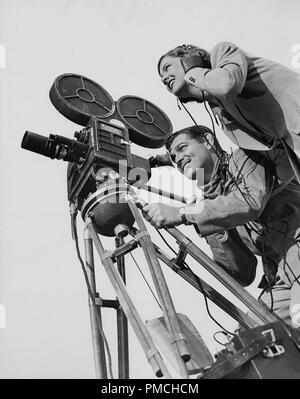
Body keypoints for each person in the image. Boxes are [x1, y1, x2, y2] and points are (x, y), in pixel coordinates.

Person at [140, 125, 300, 327]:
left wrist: (183, 213)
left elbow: (249, 202)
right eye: (173, 157)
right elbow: (241, 274)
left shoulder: (246, 156)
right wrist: (215, 226)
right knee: (255, 341)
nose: (178, 159)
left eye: (182, 148)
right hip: (283, 277)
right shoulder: (211, 205)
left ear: (208, 140)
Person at [157, 42, 300, 184]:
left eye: (167, 68)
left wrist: (192, 71)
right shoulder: (219, 110)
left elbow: (226, 85)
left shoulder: (222, 53)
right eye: (162, 79)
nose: (164, 78)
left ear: (188, 57)